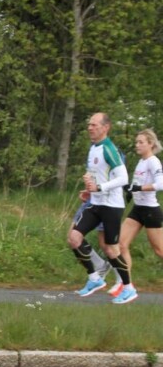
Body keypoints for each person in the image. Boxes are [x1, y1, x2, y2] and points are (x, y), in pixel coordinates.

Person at [68, 112, 133, 301]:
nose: (90, 127)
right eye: (89, 124)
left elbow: (123, 178)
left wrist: (100, 187)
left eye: (94, 125)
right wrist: (90, 191)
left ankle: (128, 287)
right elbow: (97, 174)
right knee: (74, 238)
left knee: (111, 250)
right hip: (96, 203)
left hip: (111, 207)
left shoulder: (109, 149)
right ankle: (94, 278)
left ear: (105, 128)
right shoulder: (93, 147)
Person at [116, 129, 163, 302]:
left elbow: (160, 184)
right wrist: (131, 190)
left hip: (151, 211)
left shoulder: (153, 162)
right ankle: (127, 286)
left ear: (150, 143)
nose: (137, 145)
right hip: (138, 209)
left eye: (141, 142)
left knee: (159, 250)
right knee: (120, 244)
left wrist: (139, 189)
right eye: (136, 142)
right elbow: (138, 183)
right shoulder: (141, 162)